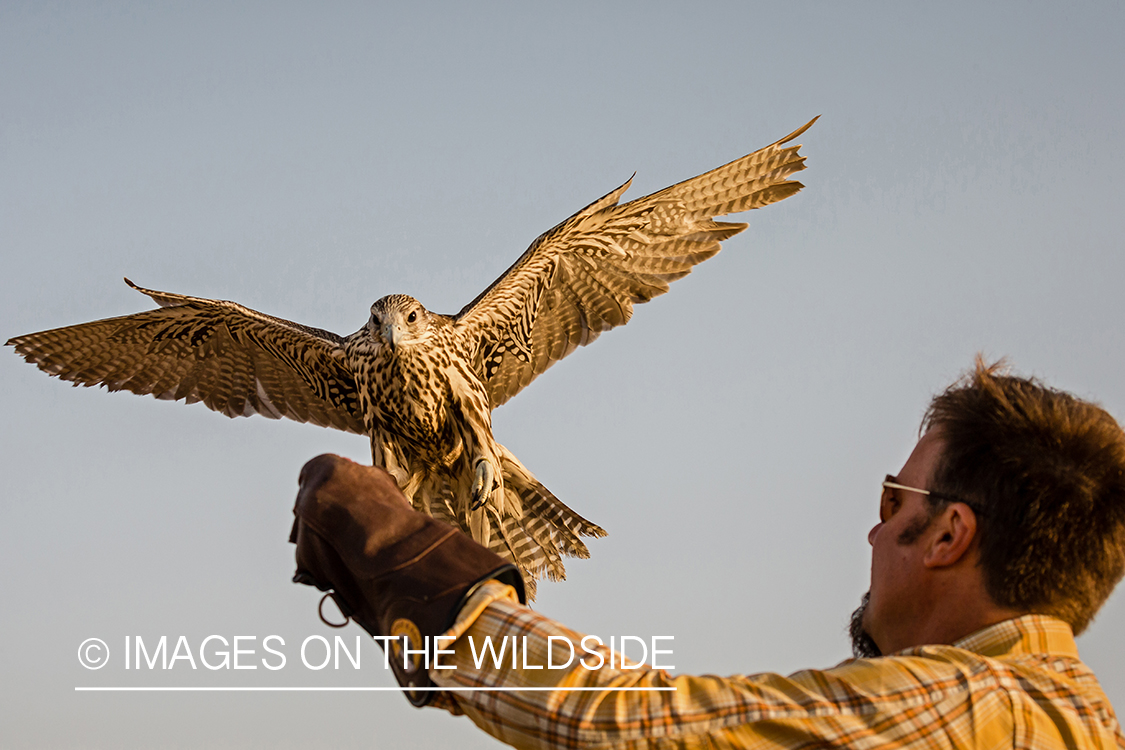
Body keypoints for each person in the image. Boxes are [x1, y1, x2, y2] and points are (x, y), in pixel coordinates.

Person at [290, 359, 1125, 749]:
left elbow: (636, 726)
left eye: (891, 502)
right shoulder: (1076, 721)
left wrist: (419, 573)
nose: (871, 532)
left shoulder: (978, 705)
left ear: (947, 535)